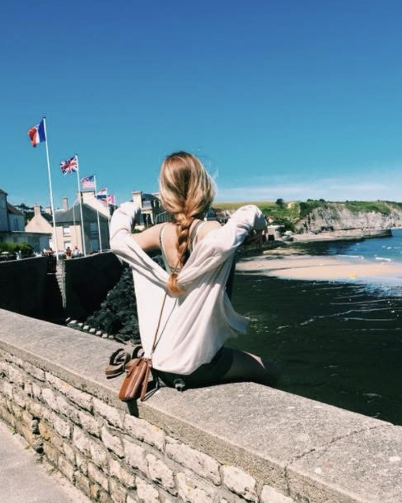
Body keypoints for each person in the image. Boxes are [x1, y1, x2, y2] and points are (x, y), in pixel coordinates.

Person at [110, 151, 279, 390]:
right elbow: (228, 235)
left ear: (166, 193)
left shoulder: (159, 233)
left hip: (161, 363)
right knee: (272, 370)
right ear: (204, 187)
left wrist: (128, 208)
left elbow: (118, 241)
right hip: (199, 365)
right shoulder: (210, 229)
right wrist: (256, 222)